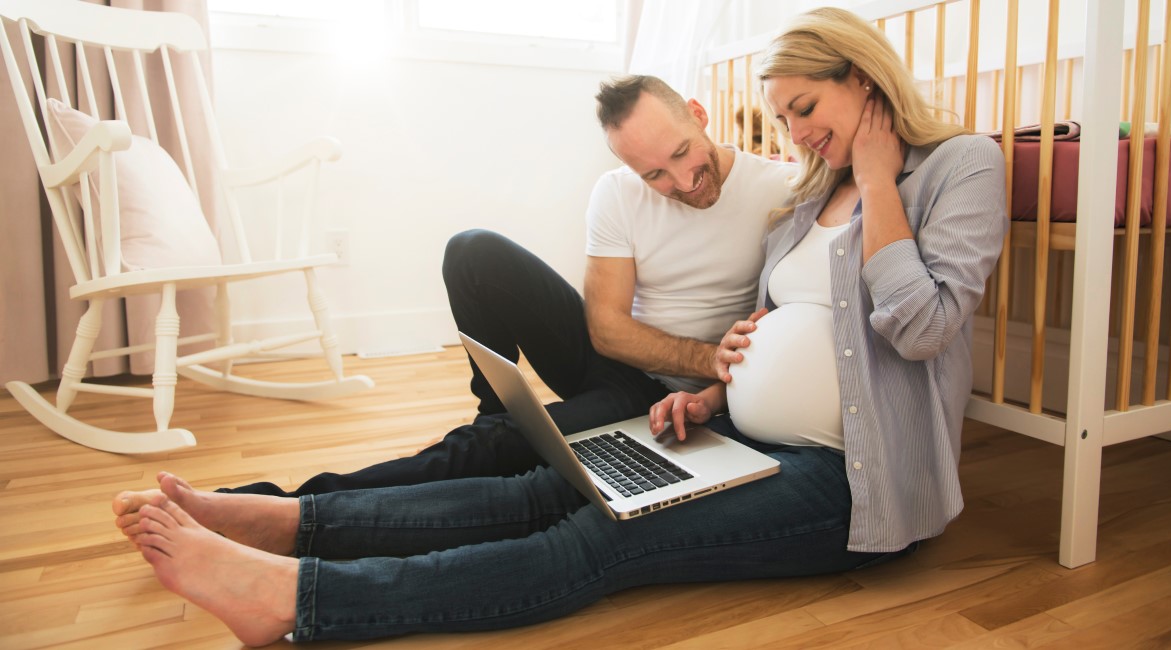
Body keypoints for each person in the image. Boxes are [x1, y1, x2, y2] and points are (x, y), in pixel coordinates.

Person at [112, 7, 1007, 645]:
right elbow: (783, 321)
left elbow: (921, 327)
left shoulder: (958, 164)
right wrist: (709, 388)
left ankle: (301, 598)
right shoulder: (809, 194)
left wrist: (885, 176)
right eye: (783, 118)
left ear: (864, 78)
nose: (797, 133)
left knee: (600, 535)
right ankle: (288, 523)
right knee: (540, 488)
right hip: (730, 426)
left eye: (807, 108)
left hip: (851, 483)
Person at [226, 74, 797, 497]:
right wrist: (705, 354)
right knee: (473, 250)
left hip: (676, 400)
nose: (679, 182)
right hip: (618, 363)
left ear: (698, 114)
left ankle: (294, 502)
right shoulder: (618, 192)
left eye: (681, 155)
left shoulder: (781, 190)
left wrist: (711, 378)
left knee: (497, 449)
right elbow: (607, 330)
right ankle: (495, 411)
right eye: (653, 174)